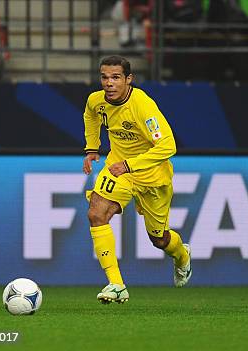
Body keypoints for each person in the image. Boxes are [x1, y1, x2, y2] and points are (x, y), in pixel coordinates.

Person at [82, 55, 192, 304]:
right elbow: (90, 115)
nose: (108, 83)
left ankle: (182, 255)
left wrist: (131, 165)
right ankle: (116, 284)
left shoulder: (143, 105)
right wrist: (92, 147)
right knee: (96, 213)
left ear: (129, 79)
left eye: (116, 77)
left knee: (159, 239)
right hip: (118, 169)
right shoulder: (96, 101)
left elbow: (168, 145)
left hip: (152, 177)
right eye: (104, 77)